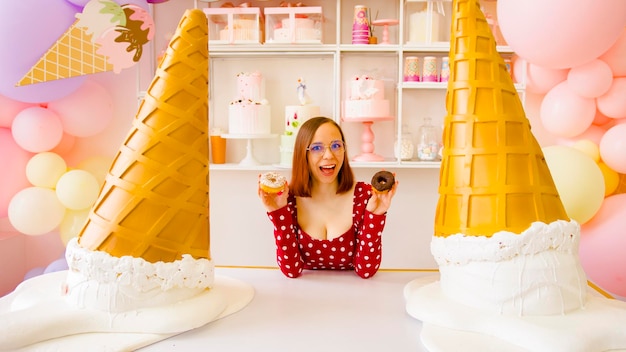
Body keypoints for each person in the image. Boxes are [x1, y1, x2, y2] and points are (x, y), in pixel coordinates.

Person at [258, 116, 398, 279]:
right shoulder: (287, 199)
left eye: (336, 146)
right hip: (303, 297)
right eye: (317, 148)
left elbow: (365, 270)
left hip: (355, 297)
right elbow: (291, 270)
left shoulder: (364, 196)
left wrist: (376, 215)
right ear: (303, 154)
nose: (329, 155)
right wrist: (278, 214)